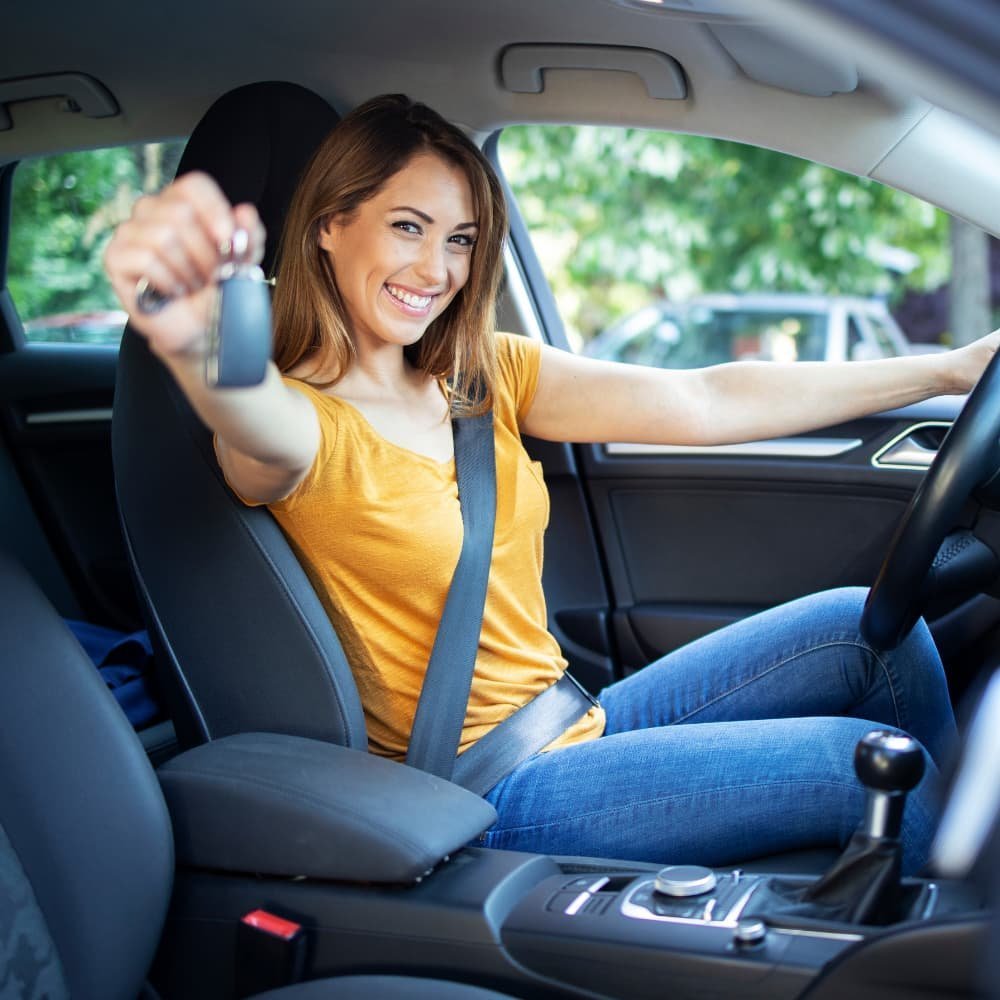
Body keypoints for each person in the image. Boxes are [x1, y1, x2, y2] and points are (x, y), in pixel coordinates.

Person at [104, 93, 999, 874]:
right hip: (496, 788)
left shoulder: (480, 372)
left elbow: (702, 399)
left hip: (575, 718)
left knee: (870, 627)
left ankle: (924, 879)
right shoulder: (301, 426)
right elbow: (246, 415)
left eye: (459, 240)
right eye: (407, 227)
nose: (436, 271)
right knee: (875, 767)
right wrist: (194, 342)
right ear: (330, 225)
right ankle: (944, 939)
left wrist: (944, 372)